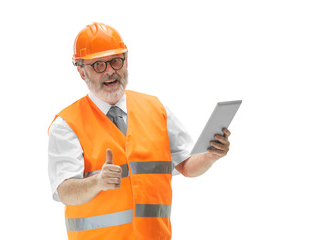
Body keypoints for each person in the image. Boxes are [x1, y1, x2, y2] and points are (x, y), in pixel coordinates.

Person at [48, 22, 231, 240]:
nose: (110, 71)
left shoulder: (155, 108)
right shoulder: (67, 124)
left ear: (126, 60)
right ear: (81, 71)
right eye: (98, 65)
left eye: (116, 61)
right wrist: (98, 182)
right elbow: (65, 192)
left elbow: (187, 166)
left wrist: (210, 156)